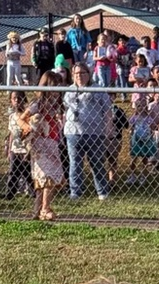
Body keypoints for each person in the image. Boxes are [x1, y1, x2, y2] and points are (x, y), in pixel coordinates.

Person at [63, 62, 111, 200]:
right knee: (75, 163)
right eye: (76, 73)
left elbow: (107, 110)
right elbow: (65, 110)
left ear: (88, 74)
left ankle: (102, 192)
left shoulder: (98, 89)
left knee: (97, 163)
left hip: (95, 133)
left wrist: (108, 128)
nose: (79, 76)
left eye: (82, 73)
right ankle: (75, 192)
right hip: (73, 132)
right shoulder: (69, 90)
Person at [28, 71, 65, 221]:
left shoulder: (56, 105)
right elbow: (23, 118)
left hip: (53, 142)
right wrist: (31, 127)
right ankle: (45, 209)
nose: (57, 91)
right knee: (47, 175)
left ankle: (40, 208)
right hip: (41, 144)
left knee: (51, 176)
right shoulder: (38, 104)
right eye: (54, 86)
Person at [3, 90, 32, 201]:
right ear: (11, 101)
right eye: (14, 98)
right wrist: (9, 149)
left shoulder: (27, 115)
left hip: (25, 149)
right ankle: (10, 193)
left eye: (19, 98)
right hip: (15, 148)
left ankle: (33, 192)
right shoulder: (12, 116)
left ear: (24, 99)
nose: (17, 100)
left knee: (28, 172)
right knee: (13, 171)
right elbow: (11, 133)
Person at [127, 92, 156, 184]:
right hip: (136, 140)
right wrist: (131, 138)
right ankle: (132, 175)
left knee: (144, 159)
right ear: (136, 107)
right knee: (133, 158)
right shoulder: (134, 118)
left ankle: (143, 176)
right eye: (139, 106)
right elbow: (131, 129)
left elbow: (152, 128)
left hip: (145, 140)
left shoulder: (148, 118)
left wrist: (150, 135)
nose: (141, 108)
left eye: (143, 105)